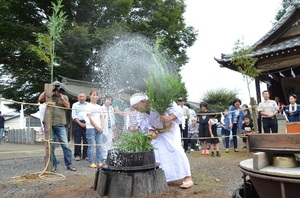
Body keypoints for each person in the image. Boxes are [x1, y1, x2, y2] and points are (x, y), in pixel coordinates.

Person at [130, 93, 194, 189]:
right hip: (156, 131)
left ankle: (188, 177)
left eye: (136, 107)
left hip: (170, 129)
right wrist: (151, 130)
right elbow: (142, 121)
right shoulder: (141, 112)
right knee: (157, 153)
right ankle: (165, 178)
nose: (136, 110)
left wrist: (169, 118)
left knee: (176, 149)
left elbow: (178, 112)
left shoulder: (160, 102)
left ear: (143, 101)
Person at [38, 81, 76, 171]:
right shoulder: (48, 95)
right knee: (50, 145)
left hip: (60, 124)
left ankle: (69, 165)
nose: (58, 88)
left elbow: (67, 106)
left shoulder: (64, 96)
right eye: (56, 86)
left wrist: (61, 97)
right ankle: (53, 165)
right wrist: (49, 89)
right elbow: (40, 99)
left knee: (65, 145)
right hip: (48, 123)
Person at [85, 91, 104, 168]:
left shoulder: (100, 107)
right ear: (90, 96)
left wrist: (102, 126)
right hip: (91, 128)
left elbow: (101, 117)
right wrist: (97, 126)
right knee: (91, 146)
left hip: (99, 128)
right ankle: (91, 161)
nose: (95, 97)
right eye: (94, 95)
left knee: (99, 145)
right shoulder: (87, 105)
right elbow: (89, 117)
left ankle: (99, 161)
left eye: (96, 95)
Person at [71, 92, 88, 161]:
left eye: (83, 96)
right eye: (80, 96)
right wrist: (79, 123)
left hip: (87, 122)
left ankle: (85, 155)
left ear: (85, 98)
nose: (82, 98)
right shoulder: (75, 105)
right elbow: (74, 115)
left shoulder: (88, 105)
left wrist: (87, 123)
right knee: (77, 140)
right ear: (78, 98)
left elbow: (90, 114)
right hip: (77, 122)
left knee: (86, 140)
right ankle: (77, 155)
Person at [102, 95, 115, 162]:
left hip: (110, 127)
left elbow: (113, 117)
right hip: (104, 127)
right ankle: (104, 156)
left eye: (110, 100)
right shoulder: (101, 108)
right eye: (108, 99)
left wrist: (113, 125)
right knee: (104, 141)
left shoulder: (111, 108)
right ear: (104, 101)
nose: (109, 101)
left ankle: (109, 155)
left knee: (110, 141)